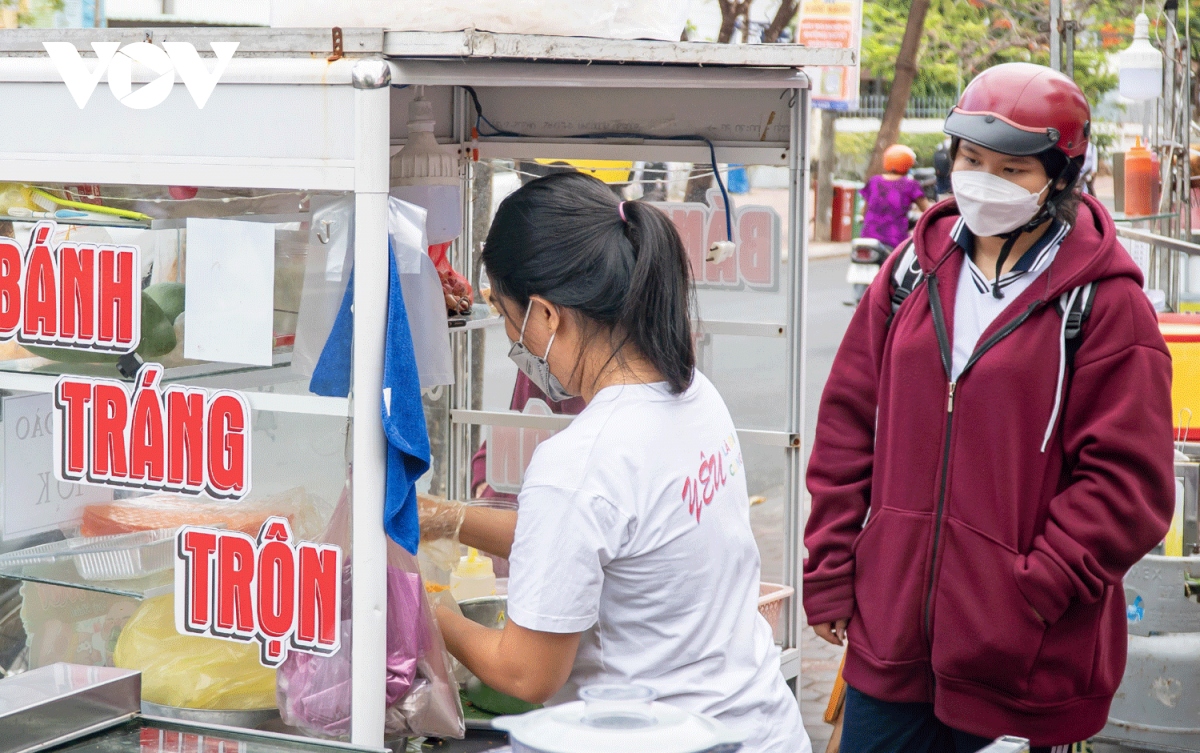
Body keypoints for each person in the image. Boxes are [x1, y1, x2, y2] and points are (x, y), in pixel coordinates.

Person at [804, 62, 1174, 753]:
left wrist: (1029, 593)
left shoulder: (1104, 304)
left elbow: (1129, 485)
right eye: (972, 160)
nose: (984, 181)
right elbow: (848, 424)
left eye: (1013, 170)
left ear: (1060, 179)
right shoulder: (910, 271)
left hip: (1023, 663)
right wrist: (832, 567)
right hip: (892, 644)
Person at [427, 172, 809, 753]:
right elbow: (602, 540)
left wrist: (430, 607)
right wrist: (449, 519)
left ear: (547, 316)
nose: (517, 344)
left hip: (667, 739)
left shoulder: (581, 462)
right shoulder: (693, 395)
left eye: (510, 320)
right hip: (758, 726)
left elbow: (528, 674)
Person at [860, 144, 931, 249]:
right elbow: (927, 211)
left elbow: (864, 210)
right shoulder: (911, 185)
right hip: (895, 240)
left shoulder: (874, 181)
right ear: (908, 164)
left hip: (868, 237)